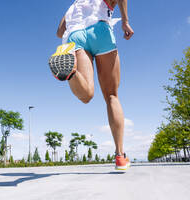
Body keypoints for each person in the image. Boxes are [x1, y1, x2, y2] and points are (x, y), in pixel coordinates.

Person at [49, 0, 134, 170]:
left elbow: (59, 32)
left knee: (86, 95)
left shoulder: (72, 6)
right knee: (111, 95)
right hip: (99, 30)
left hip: (74, 37)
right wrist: (124, 20)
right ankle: (119, 156)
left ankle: (71, 72)